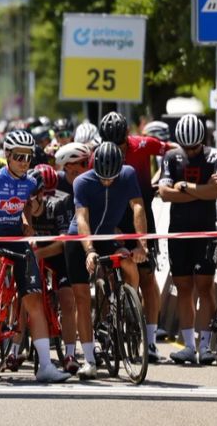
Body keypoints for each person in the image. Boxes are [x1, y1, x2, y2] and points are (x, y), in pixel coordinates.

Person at [0, 130, 71, 383]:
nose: (24, 161)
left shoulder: (30, 182)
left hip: (17, 242)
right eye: (19, 156)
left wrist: (27, 224)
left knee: (34, 301)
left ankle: (45, 365)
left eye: (28, 157)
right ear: (7, 155)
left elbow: (26, 206)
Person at [65, 142, 147, 380]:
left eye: (112, 178)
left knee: (129, 262)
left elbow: (138, 207)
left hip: (108, 235)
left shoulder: (128, 175)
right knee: (81, 297)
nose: (108, 182)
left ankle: (130, 304)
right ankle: (89, 360)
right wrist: (89, 250)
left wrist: (142, 244)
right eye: (103, 178)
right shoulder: (82, 182)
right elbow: (82, 218)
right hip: (80, 239)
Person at [99, 111, 176, 362]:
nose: (118, 151)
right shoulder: (99, 154)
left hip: (140, 212)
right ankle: (111, 322)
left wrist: (164, 177)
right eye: (113, 146)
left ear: (127, 138)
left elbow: (174, 150)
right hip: (112, 217)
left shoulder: (143, 143)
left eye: (121, 145)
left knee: (147, 276)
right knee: (108, 273)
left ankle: (151, 342)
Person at [158, 115, 217, 364]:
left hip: (205, 231)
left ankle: (205, 345)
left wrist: (184, 186)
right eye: (186, 147)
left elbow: (216, 191)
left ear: (202, 142)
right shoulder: (171, 157)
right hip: (178, 231)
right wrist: (200, 191)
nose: (189, 151)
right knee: (184, 287)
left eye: (194, 147)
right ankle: (188, 345)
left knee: (205, 286)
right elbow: (165, 194)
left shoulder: (215, 157)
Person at [26, 163, 79, 374]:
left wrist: (39, 254)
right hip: (35, 256)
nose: (27, 202)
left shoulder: (59, 203)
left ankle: (70, 353)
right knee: (23, 297)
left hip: (58, 256)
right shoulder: (23, 207)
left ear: (40, 194)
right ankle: (14, 348)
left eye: (32, 197)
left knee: (67, 300)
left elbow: (64, 242)